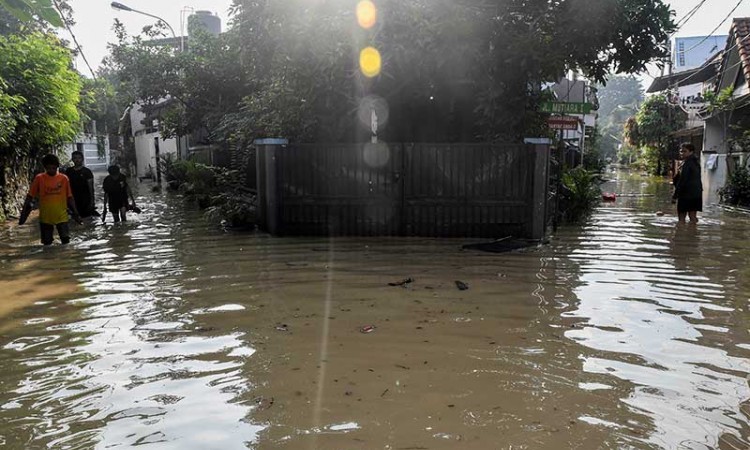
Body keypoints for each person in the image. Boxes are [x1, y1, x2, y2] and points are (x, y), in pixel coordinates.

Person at [19, 154, 82, 245]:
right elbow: (29, 197)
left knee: (66, 241)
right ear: (45, 168)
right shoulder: (39, 178)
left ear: (57, 167)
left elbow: (69, 197)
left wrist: (76, 214)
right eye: (49, 168)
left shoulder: (64, 179)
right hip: (45, 217)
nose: (51, 170)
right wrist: (23, 215)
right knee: (47, 243)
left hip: (62, 216)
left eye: (54, 168)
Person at [672, 142, 703, 224]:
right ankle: (693, 234)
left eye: (684, 151)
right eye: (681, 151)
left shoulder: (687, 164)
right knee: (693, 217)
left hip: (686, 193)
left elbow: (682, 181)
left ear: (691, 152)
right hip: (696, 193)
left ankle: (682, 234)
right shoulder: (696, 162)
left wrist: (675, 196)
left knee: (681, 218)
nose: (682, 153)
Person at [65, 150, 96, 218]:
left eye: (79, 158)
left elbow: (91, 188)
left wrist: (92, 201)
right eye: (75, 158)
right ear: (72, 159)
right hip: (72, 199)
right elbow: (65, 186)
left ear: (82, 159)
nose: (77, 160)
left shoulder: (87, 172)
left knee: (86, 218)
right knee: (74, 218)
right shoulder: (68, 171)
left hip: (85, 200)